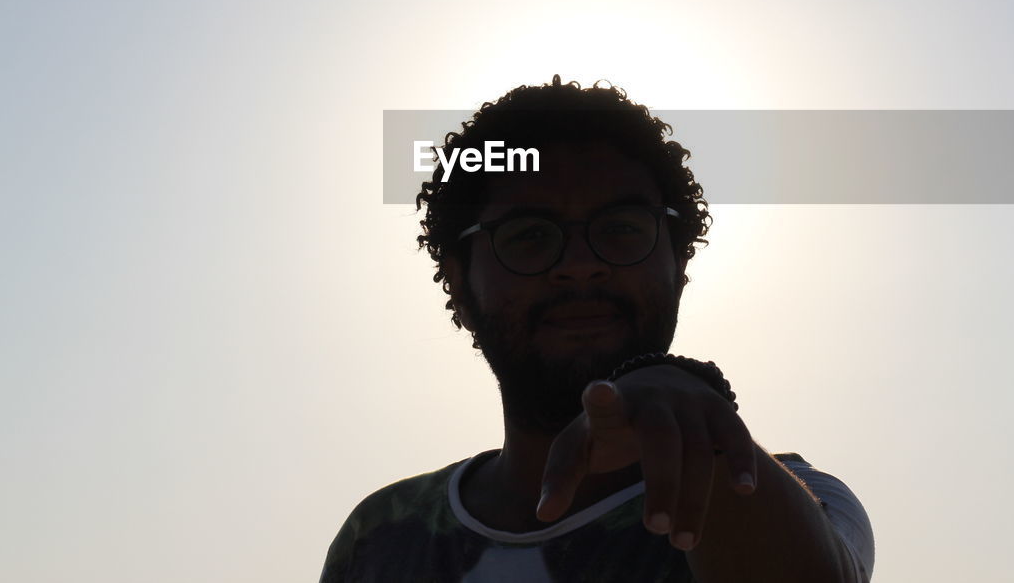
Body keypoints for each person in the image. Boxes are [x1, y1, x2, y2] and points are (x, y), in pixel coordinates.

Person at [321, 77, 875, 582]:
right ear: (461, 287)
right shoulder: (379, 538)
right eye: (530, 235)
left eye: (622, 229)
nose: (582, 263)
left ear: (679, 267)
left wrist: (693, 408)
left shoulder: (788, 500)